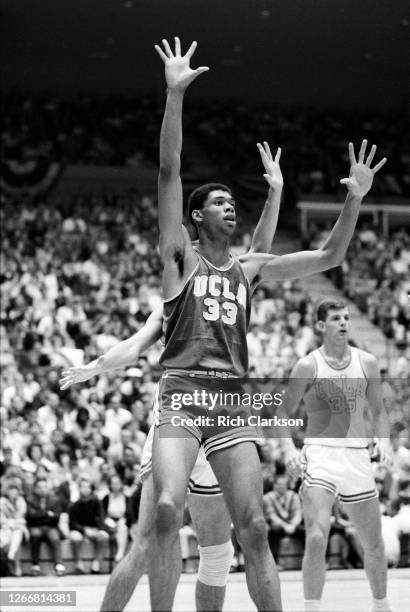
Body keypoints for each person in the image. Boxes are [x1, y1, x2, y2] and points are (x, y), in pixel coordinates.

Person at [149, 36, 386, 612]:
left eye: (236, 201)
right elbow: (168, 168)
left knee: (253, 530)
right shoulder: (180, 253)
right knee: (162, 512)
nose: (231, 205)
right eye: (220, 202)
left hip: (231, 399)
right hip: (181, 394)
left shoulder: (250, 268)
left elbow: (328, 258)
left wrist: (354, 198)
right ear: (197, 217)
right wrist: (174, 96)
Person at [60, 130, 285, 611]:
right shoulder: (177, 288)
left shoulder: (237, 276)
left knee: (221, 551)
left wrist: (275, 192)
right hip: (180, 412)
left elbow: (260, 252)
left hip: (224, 408)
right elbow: (136, 346)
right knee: (149, 539)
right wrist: (93, 368)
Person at [280, 299, 394, 612]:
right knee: (317, 536)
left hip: (357, 457)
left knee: (373, 541)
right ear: (320, 326)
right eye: (335, 318)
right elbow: (281, 412)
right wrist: (289, 448)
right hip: (320, 457)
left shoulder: (367, 362)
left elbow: (379, 411)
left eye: (346, 317)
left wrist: (383, 441)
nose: (344, 323)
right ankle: (311, 609)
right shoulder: (308, 365)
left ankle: (381, 605)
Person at [26, 477, 66, 577]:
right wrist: (47, 514)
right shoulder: (30, 500)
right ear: (35, 488)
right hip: (36, 527)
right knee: (35, 535)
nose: (42, 489)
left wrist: (39, 515)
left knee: (55, 537)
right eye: (40, 487)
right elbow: (31, 517)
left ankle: (59, 565)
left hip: (51, 527)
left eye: (44, 487)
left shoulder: (55, 499)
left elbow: (56, 517)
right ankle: (35, 565)